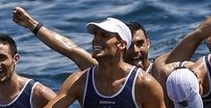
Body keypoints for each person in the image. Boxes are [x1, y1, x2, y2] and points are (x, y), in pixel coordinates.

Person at [1, 17, 174, 108]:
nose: (96, 40)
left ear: (122, 45)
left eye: (104, 36)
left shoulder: (144, 83)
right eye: (95, 35)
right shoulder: (79, 81)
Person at [12, 6, 153, 71]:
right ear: (123, 46)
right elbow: (70, 49)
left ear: (148, 44)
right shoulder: (101, 70)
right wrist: (32, 24)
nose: (135, 50)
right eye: (131, 45)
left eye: (140, 44)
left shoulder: (159, 70)